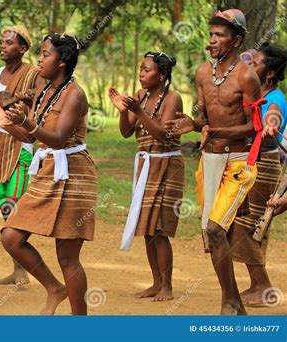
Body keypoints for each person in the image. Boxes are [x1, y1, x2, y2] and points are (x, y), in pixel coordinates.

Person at [0, 34, 98, 315]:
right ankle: (55, 288)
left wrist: (25, 122)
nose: (40, 60)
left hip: (74, 175)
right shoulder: (44, 91)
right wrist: (5, 124)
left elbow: (57, 138)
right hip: (47, 172)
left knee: (67, 256)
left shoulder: (75, 94)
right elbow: (32, 138)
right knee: (11, 237)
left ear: (62, 62)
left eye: (46, 55)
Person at [165, 9, 262, 315]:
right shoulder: (202, 73)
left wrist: (214, 130)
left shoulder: (247, 77)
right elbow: (204, 119)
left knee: (215, 229)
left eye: (220, 36)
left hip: (238, 164)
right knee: (213, 234)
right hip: (210, 161)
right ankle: (235, 304)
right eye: (211, 35)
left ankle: (228, 303)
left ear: (236, 41)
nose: (213, 41)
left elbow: (253, 127)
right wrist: (192, 123)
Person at [108, 51, 184, 301]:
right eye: (140, 69)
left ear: (161, 75)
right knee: (148, 228)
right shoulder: (140, 96)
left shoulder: (173, 99)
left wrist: (139, 112)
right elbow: (127, 132)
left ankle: (168, 287)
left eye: (147, 70)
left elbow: (164, 135)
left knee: (159, 227)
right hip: (146, 166)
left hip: (166, 166)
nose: (141, 74)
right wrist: (123, 111)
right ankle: (156, 282)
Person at [0, 25, 42, 285]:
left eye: (9, 43)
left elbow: (36, 108)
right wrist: (6, 97)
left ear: (23, 48)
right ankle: (19, 270)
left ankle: (29, 267)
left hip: (21, 146)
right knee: (6, 211)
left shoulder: (34, 75)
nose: (3, 46)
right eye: (1, 42)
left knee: (16, 208)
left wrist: (0, 103)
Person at [229, 43, 287, 306]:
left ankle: (264, 287)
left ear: (270, 75)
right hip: (250, 165)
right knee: (246, 225)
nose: (250, 65)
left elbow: (272, 118)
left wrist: (270, 126)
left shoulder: (275, 99)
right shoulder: (253, 94)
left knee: (245, 227)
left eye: (256, 63)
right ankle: (256, 285)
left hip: (263, 168)